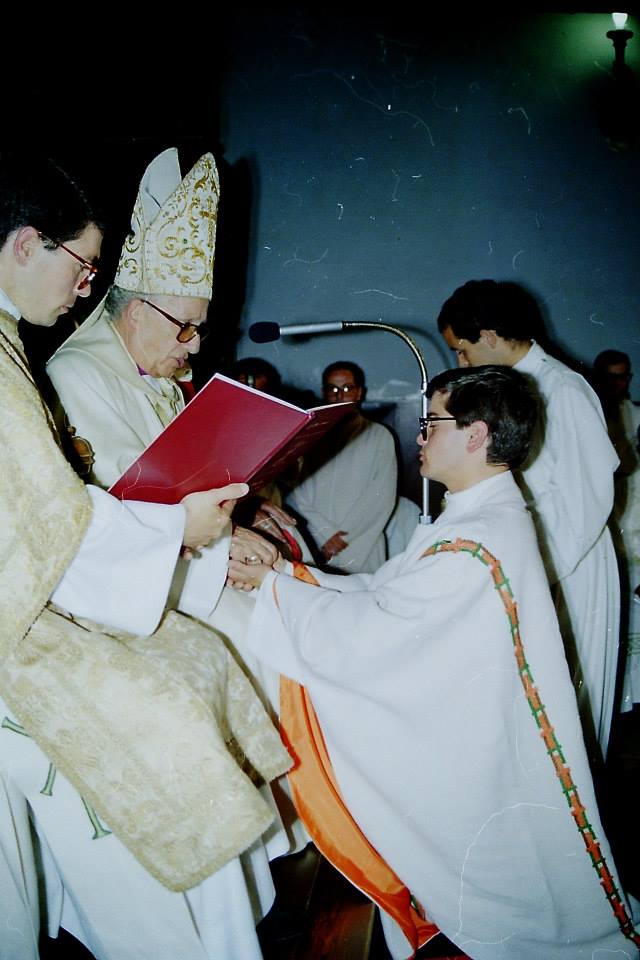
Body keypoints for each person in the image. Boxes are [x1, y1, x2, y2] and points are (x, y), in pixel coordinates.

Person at [228, 365, 640, 960]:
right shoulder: (478, 513)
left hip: (470, 750)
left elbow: (379, 635)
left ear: (475, 434)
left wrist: (273, 590)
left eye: (433, 423)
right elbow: (390, 590)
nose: (419, 436)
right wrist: (291, 578)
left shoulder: (476, 538)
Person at [0, 151, 292, 960]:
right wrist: (181, 535)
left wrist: (198, 532)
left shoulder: (9, 347)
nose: (84, 288)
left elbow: (47, 507)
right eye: (83, 266)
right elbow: (50, 519)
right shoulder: (32, 364)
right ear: (28, 244)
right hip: (31, 632)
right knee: (175, 726)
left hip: (81, 596)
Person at [46, 147, 306, 853]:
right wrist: (224, 551)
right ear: (134, 311)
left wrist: (243, 520)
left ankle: (299, 822)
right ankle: (268, 836)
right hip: (137, 586)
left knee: (294, 614)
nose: (192, 348)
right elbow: (121, 508)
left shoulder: (154, 368)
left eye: (200, 328)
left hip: (189, 560)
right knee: (269, 643)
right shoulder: (78, 376)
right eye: (183, 327)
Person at [437, 279, 620, 765]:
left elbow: (587, 500)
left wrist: (537, 574)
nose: (461, 363)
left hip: (569, 564)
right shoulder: (515, 390)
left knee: (569, 710)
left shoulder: (563, 389)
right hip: (530, 559)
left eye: (463, 350)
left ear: (491, 335)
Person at [285, 361, 398, 573]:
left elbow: (381, 497)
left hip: (362, 544)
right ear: (323, 393)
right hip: (316, 542)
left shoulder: (378, 436)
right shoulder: (311, 437)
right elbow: (295, 494)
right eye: (333, 389)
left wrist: (343, 538)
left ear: (359, 392)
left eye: (347, 389)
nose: (340, 396)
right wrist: (325, 534)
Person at [593, 349, 640, 711]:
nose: (618, 384)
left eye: (624, 377)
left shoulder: (634, 415)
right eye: (611, 377)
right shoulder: (592, 413)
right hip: (607, 535)